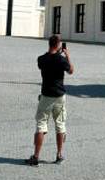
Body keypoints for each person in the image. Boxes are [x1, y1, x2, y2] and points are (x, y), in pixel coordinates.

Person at [25, 35, 74, 166]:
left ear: (49, 44)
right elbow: (71, 71)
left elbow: (44, 64)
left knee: (41, 125)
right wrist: (67, 55)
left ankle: (36, 156)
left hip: (46, 95)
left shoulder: (41, 59)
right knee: (60, 124)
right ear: (58, 45)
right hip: (59, 96)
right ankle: (59, 155)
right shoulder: (61, 60)